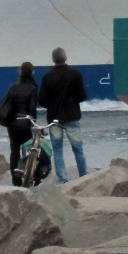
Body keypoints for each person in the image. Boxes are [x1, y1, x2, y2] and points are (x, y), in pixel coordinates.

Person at [37, 47, 88, 183]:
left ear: (53, 59)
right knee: (78, 149)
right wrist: (72, 102)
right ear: (65, 58)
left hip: (54, 119)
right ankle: (84, 177)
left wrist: (52, 105)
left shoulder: (47, 77)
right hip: (72, 116)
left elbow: (41, 100)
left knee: (58, 150)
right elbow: (83, 95)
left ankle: (62, 179)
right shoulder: (76, 74)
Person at [0, 62, 38, 186]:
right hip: (26, 123)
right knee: (29, 150)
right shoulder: (33, 88)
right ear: (32, 72)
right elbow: (32, 109)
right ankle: (28, 175)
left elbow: (9, 104)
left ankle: (15, 180)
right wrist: (33, 122)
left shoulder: (13, 86)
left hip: (12, 124)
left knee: (14, 151)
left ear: (20, 71)